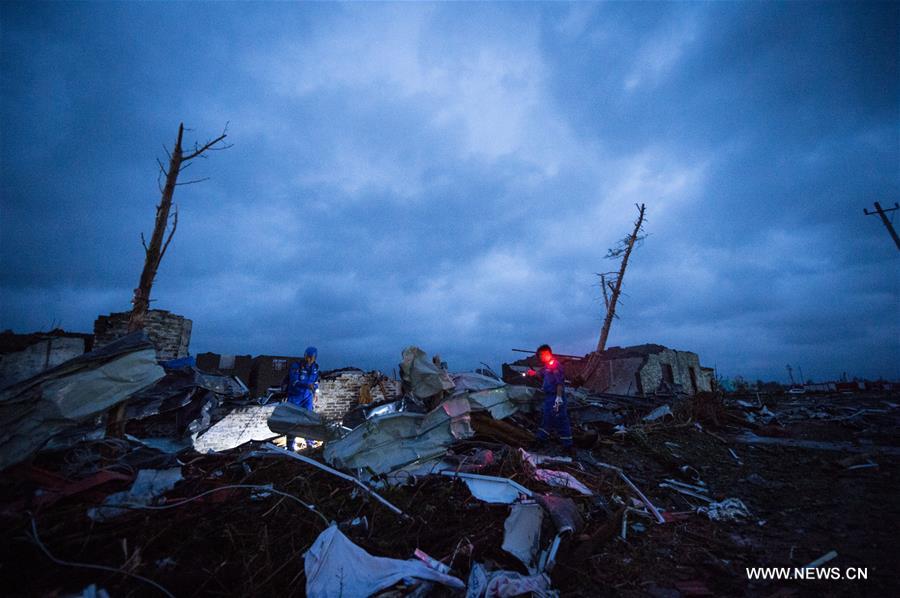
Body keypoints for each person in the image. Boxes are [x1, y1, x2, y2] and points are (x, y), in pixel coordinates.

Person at [529, 344, 573, 453]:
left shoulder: (555, 365)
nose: (540, 358)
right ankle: (541, 440)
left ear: (546, 353)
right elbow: (540, 373)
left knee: (560, 419)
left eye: (541, 355)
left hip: (556, 397)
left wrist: (558, 397)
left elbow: (559, 383)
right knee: (548, 417)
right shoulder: (548, 366)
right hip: (549, 397)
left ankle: (567, 446)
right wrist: (532, 373)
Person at [284, 346, 320, 451]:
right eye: (307, 357)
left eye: (311, 358)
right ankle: (290, 445)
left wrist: (316, 393)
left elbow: (316, 382)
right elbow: (294, 381)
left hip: (307, 397)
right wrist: (307, 385)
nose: (308, 359)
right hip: (295, 396)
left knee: (308, 419)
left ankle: (309, 442)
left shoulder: (315, 368)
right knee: (293, 420)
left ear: (315, 358)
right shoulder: (296, 366)